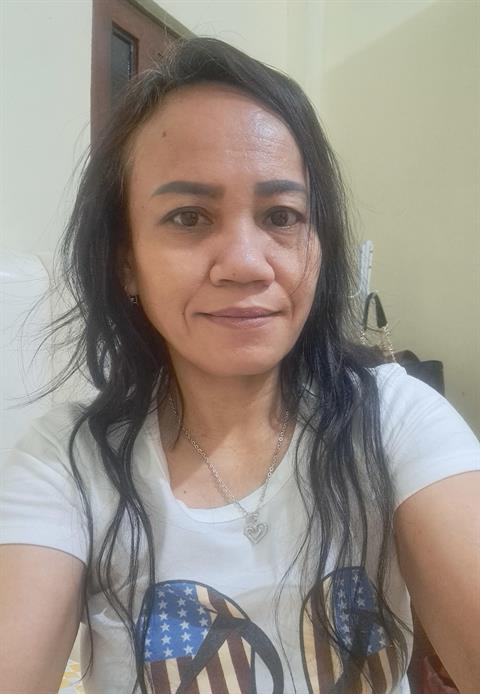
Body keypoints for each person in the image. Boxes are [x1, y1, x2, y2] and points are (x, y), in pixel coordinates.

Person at [0, 37, 478, 694]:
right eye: (188, 217)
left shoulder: (395, 418)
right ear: (126, 261)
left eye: (282, 215)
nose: (247, 264)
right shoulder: (68, 462)